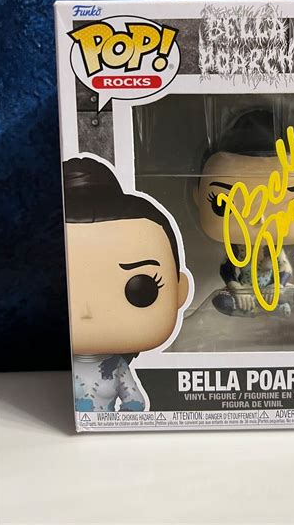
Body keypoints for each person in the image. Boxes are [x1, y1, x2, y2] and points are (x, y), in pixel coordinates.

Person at [63, 157, 190, 412]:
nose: (87, 311)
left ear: (180, 290)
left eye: (141, 288)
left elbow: (135, 402)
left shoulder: (116, 368)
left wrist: (119, 421)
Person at [195, 109, 294, 317]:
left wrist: (277, 286)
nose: (259, 219)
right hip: (244, 291)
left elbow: (285, 270)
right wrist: (237, 288)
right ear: (197, 196)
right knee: (222, 300)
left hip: (270, 290)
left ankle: (269, 307)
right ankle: (254, 309)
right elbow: (226, 271)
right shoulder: (237, 249)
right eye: (222, 205)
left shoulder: (274, 249)